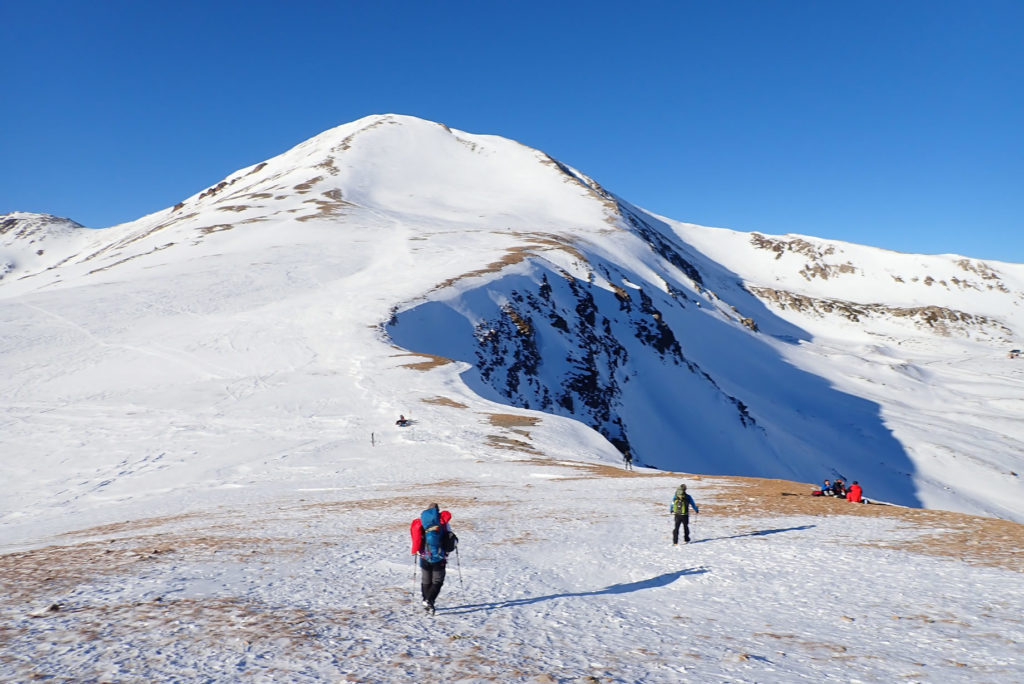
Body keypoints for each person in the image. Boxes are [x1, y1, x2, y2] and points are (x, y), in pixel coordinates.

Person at [409, 503, 457, 614]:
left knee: (426, 580)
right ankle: (429, 601)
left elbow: (415, 537)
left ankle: (426, 601)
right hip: (439, 557)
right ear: (438, 511)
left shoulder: (421, 522)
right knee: (438, 581)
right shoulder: (443, 523)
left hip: (424, 556)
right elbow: (449, 538)